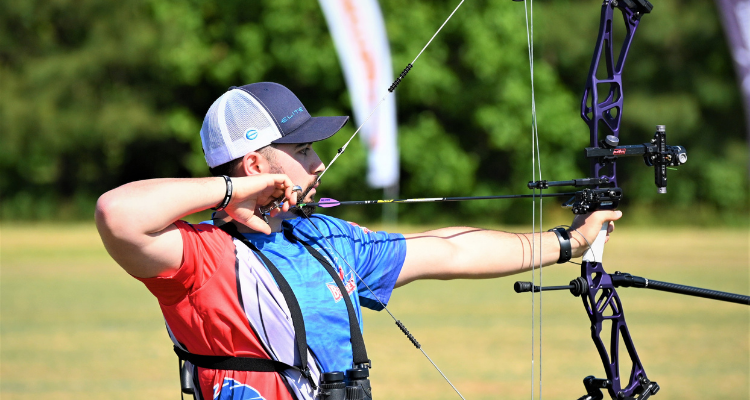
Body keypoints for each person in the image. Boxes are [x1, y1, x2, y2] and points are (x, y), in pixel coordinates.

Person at [95, 82, 621, 400]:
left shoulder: (325, 237)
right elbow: (117, 214)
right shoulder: (201, 255)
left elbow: (450, 250)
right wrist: (237, 189)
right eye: (302, 151)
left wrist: (568, 242)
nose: (318, 164)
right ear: (256, 164)